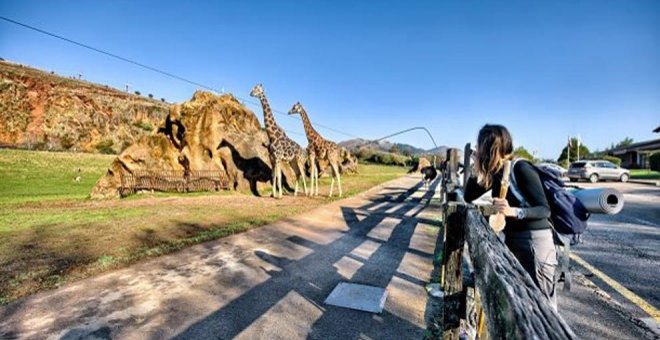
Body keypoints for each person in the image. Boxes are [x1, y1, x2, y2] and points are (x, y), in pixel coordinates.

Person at [464, 124, 558, 310]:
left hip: (535, 243)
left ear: (490, 146)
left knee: (544, 305)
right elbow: (469, 196)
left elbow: (544, 209)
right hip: (513, 240)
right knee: (522, 301)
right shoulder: (495, 172)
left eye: (479, 145)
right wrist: (477, 169)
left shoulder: (520, 167)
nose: (477, 149)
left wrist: (514, 211)